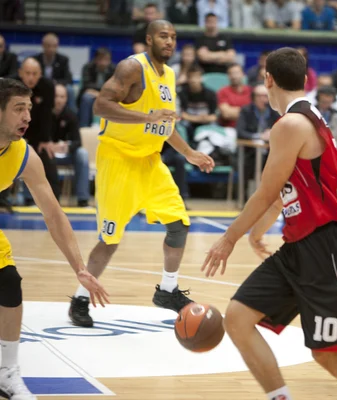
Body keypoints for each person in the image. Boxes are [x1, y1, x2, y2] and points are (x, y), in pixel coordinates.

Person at [202, 47, 337, 400]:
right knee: (238, 317)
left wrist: (228, 239)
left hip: (325, 247)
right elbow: (282, 192)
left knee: (330, 355)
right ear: (304, 80)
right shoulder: (309, 116)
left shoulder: (290, 124)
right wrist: (257, 233)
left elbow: (266, 190)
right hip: (301, 245)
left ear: (267, 78)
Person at [68, 20, 215, 328]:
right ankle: (80, 298)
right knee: (110, 239)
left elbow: (164, 123)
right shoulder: (131, 68)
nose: (170, 41)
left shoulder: (171, 74)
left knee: (179, 225)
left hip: (150, 161)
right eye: (164, 35)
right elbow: (100, 105)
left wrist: (189, 153)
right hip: (118, 160)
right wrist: (146, 116)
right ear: (149, 39)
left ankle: (167, 290)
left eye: (174, 36)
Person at [0, 78, 109, 399]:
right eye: (18, 109)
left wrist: (79, 267)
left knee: (8, 281)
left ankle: (7, 371)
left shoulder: (23, 156)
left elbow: (54, 214)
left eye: (29, 109)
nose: (27, 117)